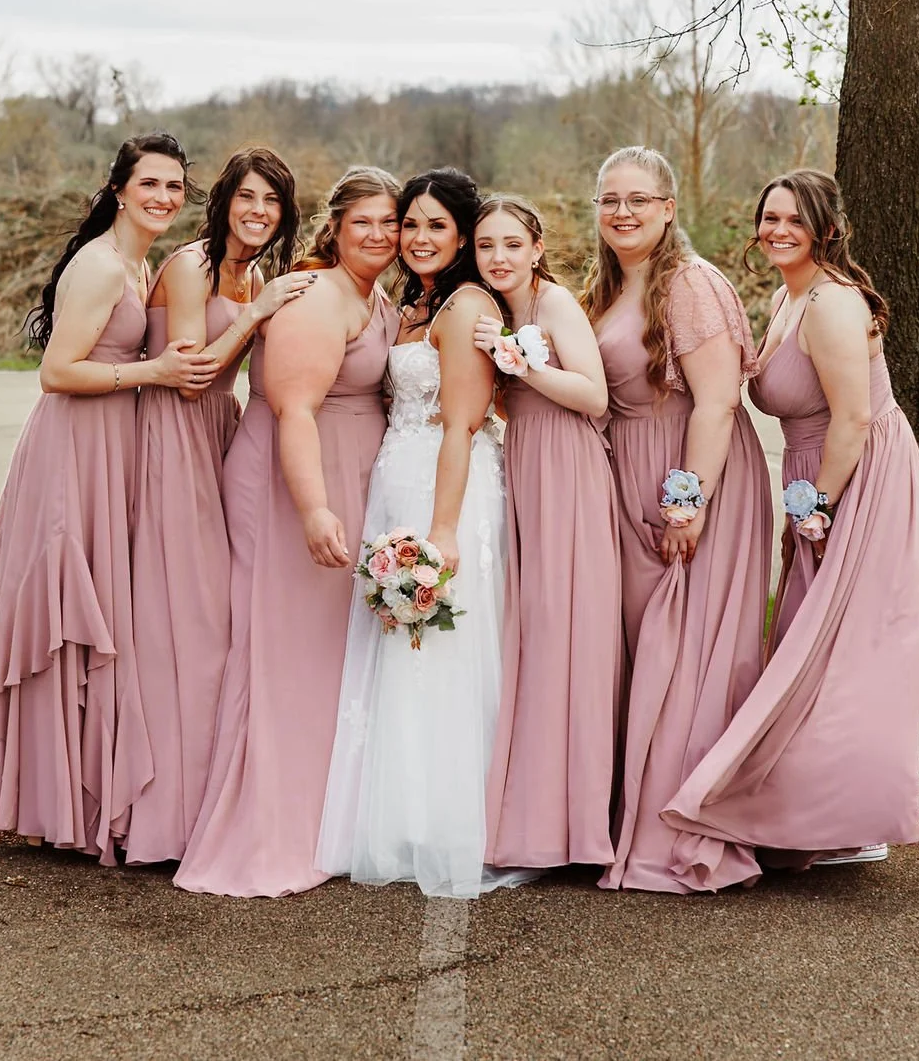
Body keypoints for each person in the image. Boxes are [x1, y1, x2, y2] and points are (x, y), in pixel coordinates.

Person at [663, 170, 919, 867]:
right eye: (770, 218)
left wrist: (821, 503)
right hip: (815, 479)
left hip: (858, 480)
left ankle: (856, 818)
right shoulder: (789, 295)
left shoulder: (832, 305)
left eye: (794, 219)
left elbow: (855, 417)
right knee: (813, 643)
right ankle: (822, 811)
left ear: (827, 229)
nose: (778, 229)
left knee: (849, 648)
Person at [0, 134, 216, 863]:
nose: (164, 197)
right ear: (118, 188)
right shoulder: (103, 265)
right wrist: (155, 372)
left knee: (99, 609)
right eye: (151, 183)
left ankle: (72, 791)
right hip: (73, 449)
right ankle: (50, 797)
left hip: (107, 446)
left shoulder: (137, 262)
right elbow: (56, 371)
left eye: (175, 187)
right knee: (68, 612)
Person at [174, 167, 401, 897]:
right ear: (334, 225)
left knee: (330, 652)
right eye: (364, 220)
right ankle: (275, 825)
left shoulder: (378, 295)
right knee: (286, 649)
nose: (381, 234)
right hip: (295, 480)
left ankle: (331, 814)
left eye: (391, 221)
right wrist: (313, 507)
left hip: (345, 473)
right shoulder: (314, 296)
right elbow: (295, 410)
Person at [318, 168, 523, 899]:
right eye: (411, 224)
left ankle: (443, 822)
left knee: (439, 649)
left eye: (436, 225)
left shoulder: (467, 305)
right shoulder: (417, 302)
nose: (417, 237)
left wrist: (442, 532)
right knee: (399, 653)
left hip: (445, 490)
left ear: (462, 235)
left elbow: (464, 424)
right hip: (396, 482)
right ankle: (395, 814)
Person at [585, 146, 773, 894]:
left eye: (638, 199)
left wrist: (688, 497)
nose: (622, 212)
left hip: (693, 474)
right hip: (629, 477)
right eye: (608, 200)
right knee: (648, 651)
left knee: (686, 650)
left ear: (668, 208)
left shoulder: (691, 284)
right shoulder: (605, 287)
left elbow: (718, 401)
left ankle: (682, 830)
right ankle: (632, 815)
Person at [125, 147, 313, 864]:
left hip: (218, 440)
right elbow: (191, 373)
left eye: (272, 202)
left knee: (214, 630)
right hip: (173, 438)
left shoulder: (256, 273)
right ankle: (158, 818)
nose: (259, 212)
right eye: (248, 198)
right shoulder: (191, 266)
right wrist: (257, 314)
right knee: (185, 628)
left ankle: (204, 804)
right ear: (225, 202)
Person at [473, 194, 621, 871]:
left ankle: (581, 825)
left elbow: (594, 396)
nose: (498, 257)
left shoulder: (554, 303)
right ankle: (537, 809)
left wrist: (520, 364)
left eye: (511, 244)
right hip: (526, 459)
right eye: (485, 246)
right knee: (534, 629)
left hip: (568, 464)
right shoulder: (499, 309)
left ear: (537, 248)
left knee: (572, 629)